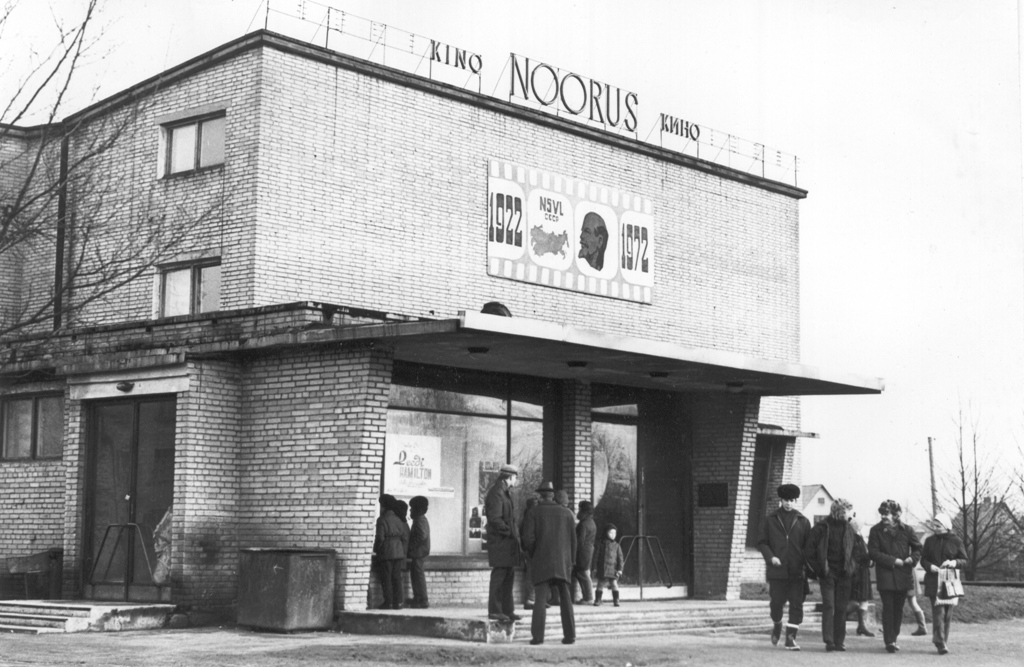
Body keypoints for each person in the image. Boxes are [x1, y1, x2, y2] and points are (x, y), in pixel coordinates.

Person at [804, 498, 866, 652]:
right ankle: (829, 641)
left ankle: (839, 641)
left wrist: (852, 568)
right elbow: (808, 552)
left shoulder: (850, 529)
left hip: (845, 574)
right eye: (847, 512)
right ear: (840, 512)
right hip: (827, 574)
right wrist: (818, 571)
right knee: (829, 605)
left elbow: (857, 552)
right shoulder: (822, 528)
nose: (849, 515)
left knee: (841, 607)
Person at [757, 483, 812, 651]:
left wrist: (807, 567)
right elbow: (762, 542)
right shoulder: (771, 519)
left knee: (796, 604)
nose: (789, 503)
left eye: (792, 500)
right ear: (781, 500)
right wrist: (771, 557)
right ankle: (777, 624)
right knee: (776, 603)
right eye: (786, 500)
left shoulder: (803, 521)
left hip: (796, 571)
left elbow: (808, 547)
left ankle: (790, 638)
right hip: (777, 571)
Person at [521, 481, 577, 645]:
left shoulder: (533, 512)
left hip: (541, 561)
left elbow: (528, 539)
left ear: (540, 495)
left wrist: (535, 555)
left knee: (540, 599)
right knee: (566, 599)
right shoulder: (567, 513)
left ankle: (538, 637)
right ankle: (570, 635)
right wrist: (570, 562)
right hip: (562, 562)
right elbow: (574, 542)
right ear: (553, 495)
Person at [868, 499, 922, 653]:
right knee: (888, 608)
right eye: (882, 514)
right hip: (885, 575)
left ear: (896, 515)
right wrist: (893, 561)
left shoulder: (908, 530)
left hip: (903, 575)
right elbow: (873, 552)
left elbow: (918, 549)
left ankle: (894, 637)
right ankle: (889, 641)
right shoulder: (875, 531)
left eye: (887, 514)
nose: (883, 517)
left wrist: (913, 559)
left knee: (898, 609)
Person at [920, 512, 968, 655]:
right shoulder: (929, 541)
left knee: (947, 614)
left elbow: (964, 560)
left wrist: (954, 562)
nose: (935, 528)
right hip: (934, 581)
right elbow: (923, 560)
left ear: (946, 526)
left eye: (938, 525)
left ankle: (942, 641)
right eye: (934, 525)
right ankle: (940, 643)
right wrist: (930, 566)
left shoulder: (956, 541)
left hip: (950, 581)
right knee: (939, 612)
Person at [485, 463, 523, 623]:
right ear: (509, 477)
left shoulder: (503, 493)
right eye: (515, 477)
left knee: (508, 577)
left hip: (506, 543)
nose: (516, 480)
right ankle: (495, 610)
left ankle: (508, 610)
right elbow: (495, 519)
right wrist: (509, 532)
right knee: (500, 577)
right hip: (501, 543)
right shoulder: (497, 493)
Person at [373, 494, 407, 610]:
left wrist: (376, 549)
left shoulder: (381, 520)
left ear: (384, 506)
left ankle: (389, 602)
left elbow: (380, 538)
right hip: (398, 551)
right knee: (397, 577)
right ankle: (399, 602)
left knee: (386, 578)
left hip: (387, 552)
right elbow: (403, 535)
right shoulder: (399, 519)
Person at [849, 520, 875, 638]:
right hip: (857, 572)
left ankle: (862, 626)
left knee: (864, 599)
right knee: (855, 600)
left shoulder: (860, 538)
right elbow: (857, 555)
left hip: (863, 572)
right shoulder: (853, 539)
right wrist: (868, 558)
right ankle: (838, 620)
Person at [592, 523, 624, 607]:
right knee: (600, 584)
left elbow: (620, 559)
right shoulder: (600, 544)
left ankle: (616, 600)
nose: (613, 535)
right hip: (603, 568)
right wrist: (594, 568)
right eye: (611, 533)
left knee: (614, 584)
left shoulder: (617, 546)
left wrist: (620, 569)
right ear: (606, 533)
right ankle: (598, 599)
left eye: (615, 533)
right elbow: (596, 557)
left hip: (613, 569)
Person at [407, 496, 431, 609]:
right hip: (419, 553)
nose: (410, 511)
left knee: (418, 576)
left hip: (418, 553)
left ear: (417, 509)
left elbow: (422, 535)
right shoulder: (421, 519)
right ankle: (419, 597)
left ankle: (422, 599)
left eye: (412, 508)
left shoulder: (419, 520)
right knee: (416, 575)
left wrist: (411, 547)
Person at [573, 500, 597, 604]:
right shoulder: (591, 522)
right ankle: (587, 597)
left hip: (582, 551)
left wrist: (573, 553)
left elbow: (579, 541)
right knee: (584, 573)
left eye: (580, 509)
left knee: (583, 574)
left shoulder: (583, 524)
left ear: (584, 511)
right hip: (588, 551)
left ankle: (589, 597)